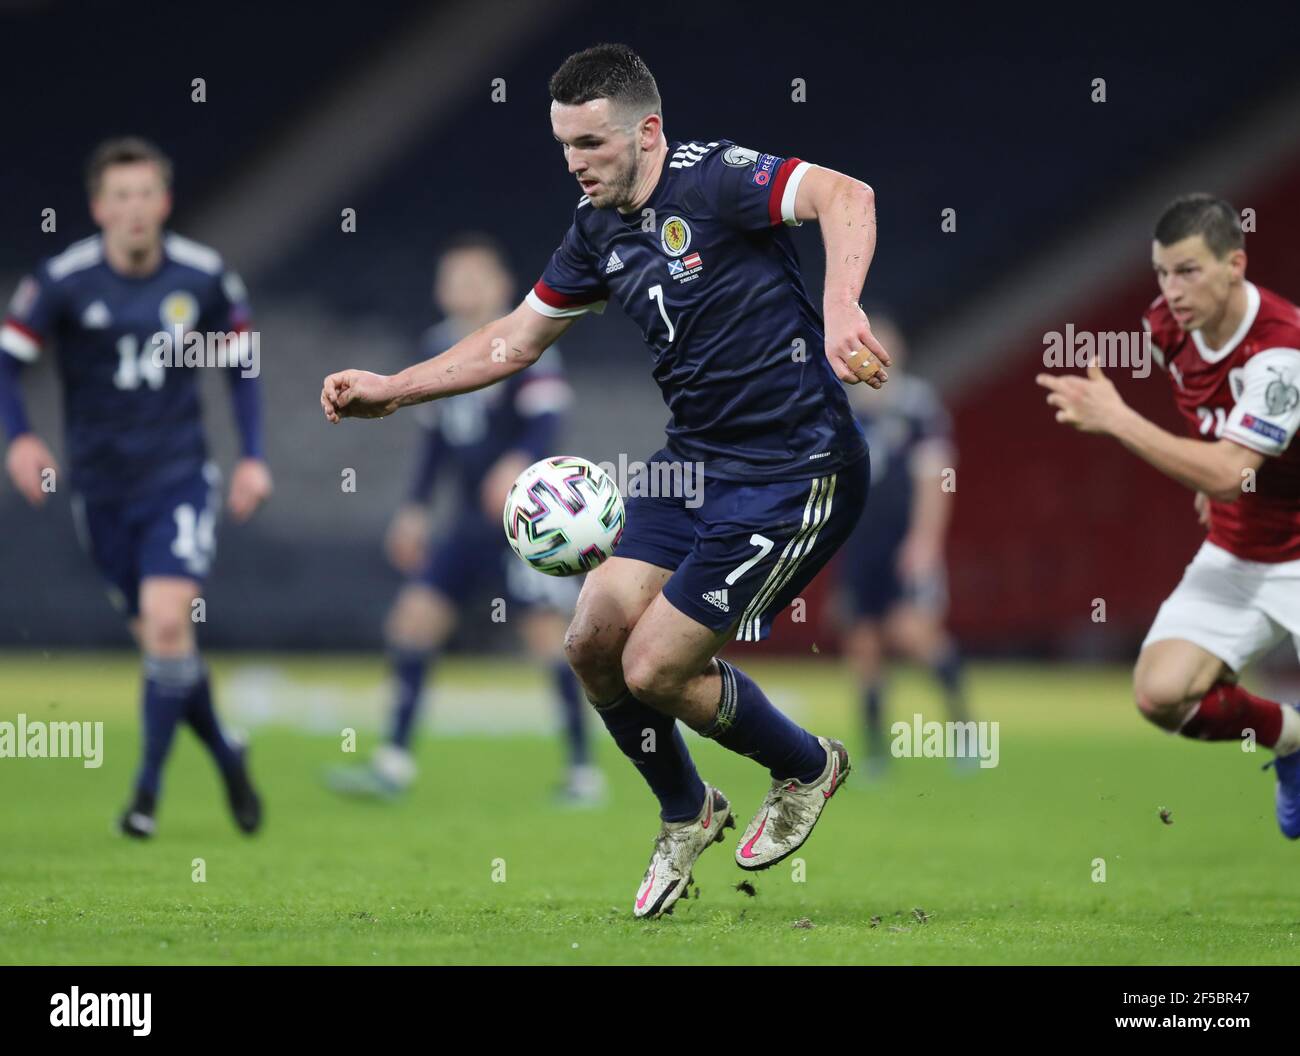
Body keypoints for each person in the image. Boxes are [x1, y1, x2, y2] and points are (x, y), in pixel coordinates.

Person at [321, 44, 890, 917]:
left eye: (590, 144)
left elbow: (847, 195)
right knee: (589, 641)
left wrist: (842, 307)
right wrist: (393, 391)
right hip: (692, 461)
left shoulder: (715, 179)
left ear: (647, 131)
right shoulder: (596, 231)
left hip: (794, 468)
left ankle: (807, 767)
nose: (575, 165)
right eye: (563, 147)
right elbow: (513, 339)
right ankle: (687, 810)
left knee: (656, 667)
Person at [0, 137, 271, 838]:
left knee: (167, 622)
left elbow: (242, 364)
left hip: (178, 477)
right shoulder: (64, 281)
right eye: (119, 196)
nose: (133, 208)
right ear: (98, 207)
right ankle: (226, 752)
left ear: (165, 201)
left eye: (145, 193)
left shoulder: (202, 277)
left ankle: (145, 797)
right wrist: (22, 437)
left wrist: (252, 457)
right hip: (100, 491)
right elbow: (7, 359)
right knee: (166, 647)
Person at [1037, 193, 1300, 837]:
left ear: (1235, 264)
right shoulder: (1167, 326)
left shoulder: (1281, 351)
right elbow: (1217, 449)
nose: (1171, 290)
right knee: (1161, 694)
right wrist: (1218, 470)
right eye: (1162, 272)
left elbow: (1227, 473)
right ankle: (1293, 739)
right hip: (1238, 555)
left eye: (1189, 271)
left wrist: (1120, 419)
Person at [326, 233, 602, 804]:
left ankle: (583, 770)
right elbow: (434, 445)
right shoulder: (438, 349)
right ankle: (394, 761)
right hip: (469, 524)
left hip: (526, 524)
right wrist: (415, 510)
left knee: (552, 639)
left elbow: (547, 420)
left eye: (475, 277)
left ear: (501, 285)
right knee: (412, 623)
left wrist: (519, 463)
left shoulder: (527, 340)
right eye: (453, 277)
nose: (463, 288)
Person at [835, 316, 968, 774]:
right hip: (858, 544)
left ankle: (964, 736)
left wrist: (925, 542)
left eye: (876, 348)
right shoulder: (843, 407)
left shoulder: (917, 407)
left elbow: (936, 478)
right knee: (863, 646)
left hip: (903, 542)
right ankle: (875, 756)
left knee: (915, 635)